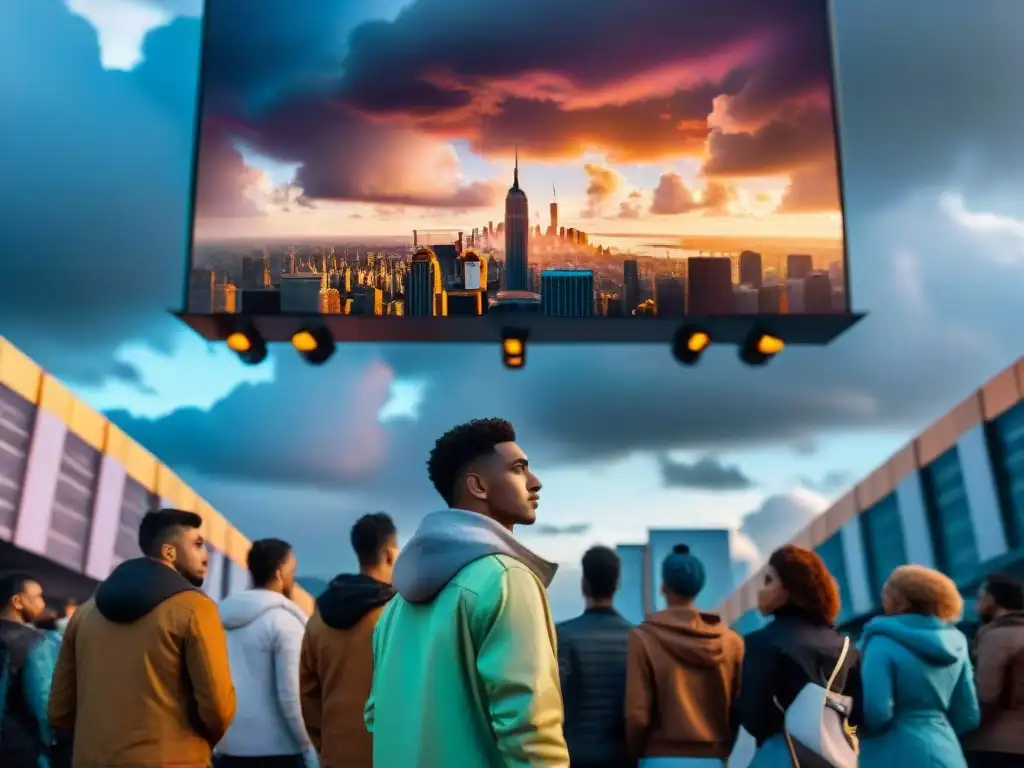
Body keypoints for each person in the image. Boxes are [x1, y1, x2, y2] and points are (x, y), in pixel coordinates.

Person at [365, 418, 569, 766]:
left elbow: (375, 715)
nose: (535, 482)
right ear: (478, 486)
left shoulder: (396, 606)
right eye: (519, 469)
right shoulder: (506, 579)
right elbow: (530, 725)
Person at [48, 508, 236, 768]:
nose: (206, 556)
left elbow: (59, 709)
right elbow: (218, 706)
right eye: (198, 545)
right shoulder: (195, 609)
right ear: (169, 552)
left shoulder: (85, 612)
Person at [737, 545, 861, 768]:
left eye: (768, 580)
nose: (760, 590)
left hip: (781, 757)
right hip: (837, 758)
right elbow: (859, 713)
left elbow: (754, 716)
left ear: (787, 590)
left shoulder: (759, 644)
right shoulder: (845, 647)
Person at [625, 544, 744, 768]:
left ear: (663, 587)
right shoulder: (732, 642)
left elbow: (636, 715)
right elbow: (738, 709)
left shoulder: (642, 638)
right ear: (699, 587)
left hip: (658, 758)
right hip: (714, 760)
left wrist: (635, 753)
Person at [300, 513, 398, 768]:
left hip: (335, 755)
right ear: (390, 554)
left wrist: (327, 746)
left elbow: (308, 695)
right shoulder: (396, 617)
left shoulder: (317, 619)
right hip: (389, 755)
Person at [858, 564, 979, 768]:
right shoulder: (957, 642)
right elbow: (968, 714)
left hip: (892, 754)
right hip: (946, 751)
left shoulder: (880, 642)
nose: (883, 599)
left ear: (902, 601)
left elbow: (877, 712)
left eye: (887, 593)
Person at [217, 538, 312, 768]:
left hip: (226, 748)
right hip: (278, 753)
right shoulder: (284, 622)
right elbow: (291, 696)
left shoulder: (217, 618)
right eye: (293, 570)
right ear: (279, 573)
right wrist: (308, 745)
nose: (294, 577)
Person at [556, 546, 634, 768]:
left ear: (584, 584)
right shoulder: (638, 639)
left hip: (573, 757)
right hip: (623, 759)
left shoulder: (561, 636)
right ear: (617, 584)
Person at [962, 573, 1024, 768]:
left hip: (995, 745)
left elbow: (986, 696)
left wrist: (961, 729)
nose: (977, 604)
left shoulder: (996, 637)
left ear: (992, 599)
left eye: (981, 597)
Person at [0, 573, 50, 768]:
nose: (42, 603)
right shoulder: (34, 641)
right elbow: (42, 699)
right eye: (37, 596)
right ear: (17, 601)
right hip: (19, 748)